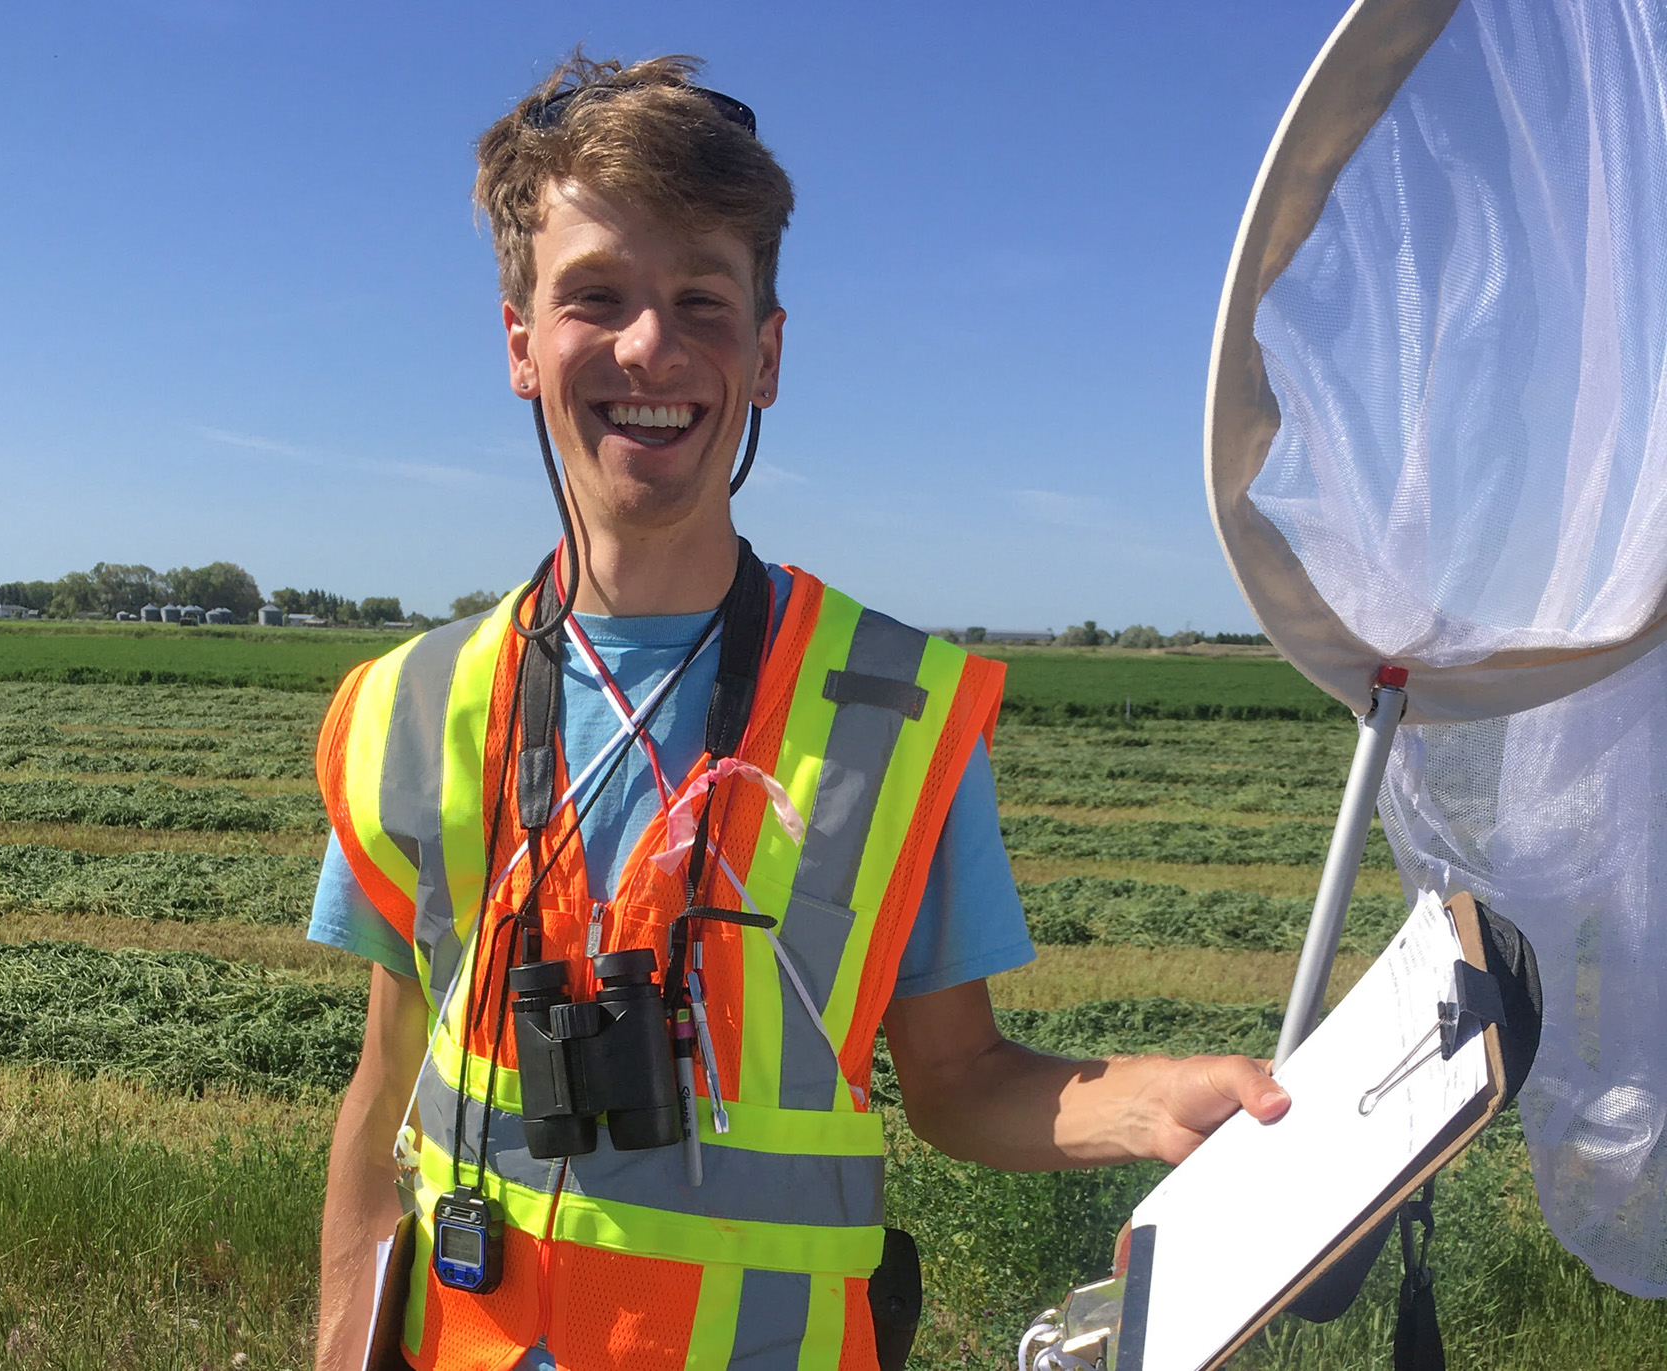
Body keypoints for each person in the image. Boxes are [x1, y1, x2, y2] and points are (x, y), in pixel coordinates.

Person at [308, 52, 1289, 1371]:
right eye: (595, 296)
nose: (649, 344)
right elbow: (385, 1096)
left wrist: (1158, 1103)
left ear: (765, 356)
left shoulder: (893, 712)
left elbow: (961, 1081)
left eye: (701, 301)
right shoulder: (408, 710)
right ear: (522, 347)